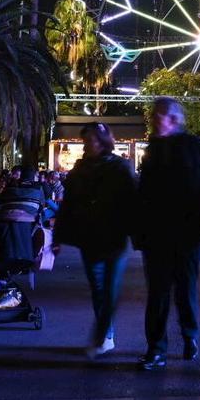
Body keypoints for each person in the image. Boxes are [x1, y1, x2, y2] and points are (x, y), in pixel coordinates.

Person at [132, 97, 200, 371]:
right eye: (154, 115)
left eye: (159, 115)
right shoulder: (153, 150)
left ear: (173, 119)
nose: (155, 120)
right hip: (157, 235)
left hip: (185, 234)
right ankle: (156, 349)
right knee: (157, 294)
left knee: (184, 289)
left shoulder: (194, 146)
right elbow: (144, 194)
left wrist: (199, 224)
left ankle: (189, 335)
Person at [54, 122, 138, 359]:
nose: (87, 144)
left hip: (114, 236)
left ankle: (103, 335)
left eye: (90, 140)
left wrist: (137, 233)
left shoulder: (120, 167)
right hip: (89, 237)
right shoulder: (79, 170)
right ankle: (106, 334)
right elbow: (68, 205)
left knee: (109, 290)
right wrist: (59, 236)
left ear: (102, 141)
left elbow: (133, 202)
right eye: (85, 140)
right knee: (98, 288)